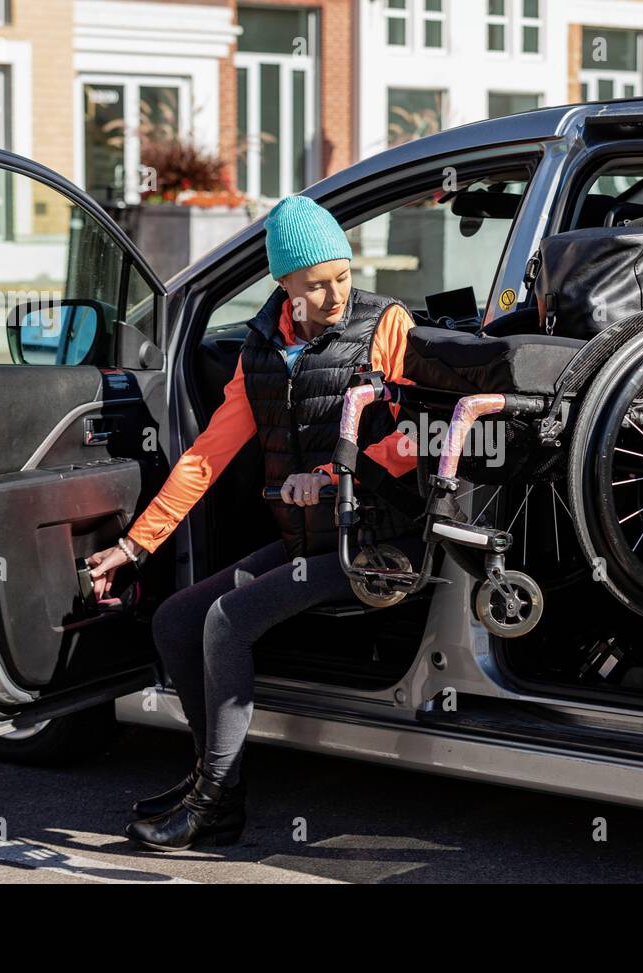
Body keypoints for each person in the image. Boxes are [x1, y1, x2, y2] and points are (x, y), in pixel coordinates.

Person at [86, 195, 423, 851]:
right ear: (284, 285)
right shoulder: (262, 350)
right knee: (175, 619)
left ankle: (215, 801)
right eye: (316, 284)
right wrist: (135, 543)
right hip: (308, 541)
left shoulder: (386, 324)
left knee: (227, 619)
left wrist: (333, 476)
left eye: (342, 277)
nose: (333, 295)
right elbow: (208, 455)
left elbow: (420, 438)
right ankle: (209, 781)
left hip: (377, 543)